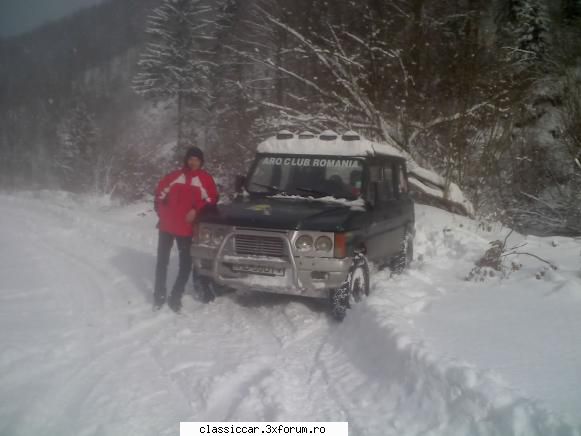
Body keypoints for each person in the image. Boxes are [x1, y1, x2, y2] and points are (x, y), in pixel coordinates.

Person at [153, 146, 218, 312]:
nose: (193, 162)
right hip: (167, 226)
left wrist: (196, 210)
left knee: (186, 264)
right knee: (162, 262)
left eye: (196, 159)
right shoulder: (174, 176)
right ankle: (158, 296)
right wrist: (163, 214)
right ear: (186, 160)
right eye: (190, 158)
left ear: (201, 162)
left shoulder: (205, 179)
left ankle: (176, 296)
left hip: (187, 228)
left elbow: (212, 199)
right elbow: (159, 195)